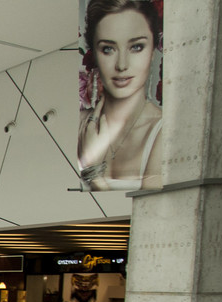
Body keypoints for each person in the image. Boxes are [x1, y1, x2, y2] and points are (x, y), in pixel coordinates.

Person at [78, 0, 163, 191]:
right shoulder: (80, 127)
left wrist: (94, 173)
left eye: (136, 47)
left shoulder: (163, 131)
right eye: (108, 49)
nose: (122, 65)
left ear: (152, 51)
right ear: (94, 53)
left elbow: (151, 208)